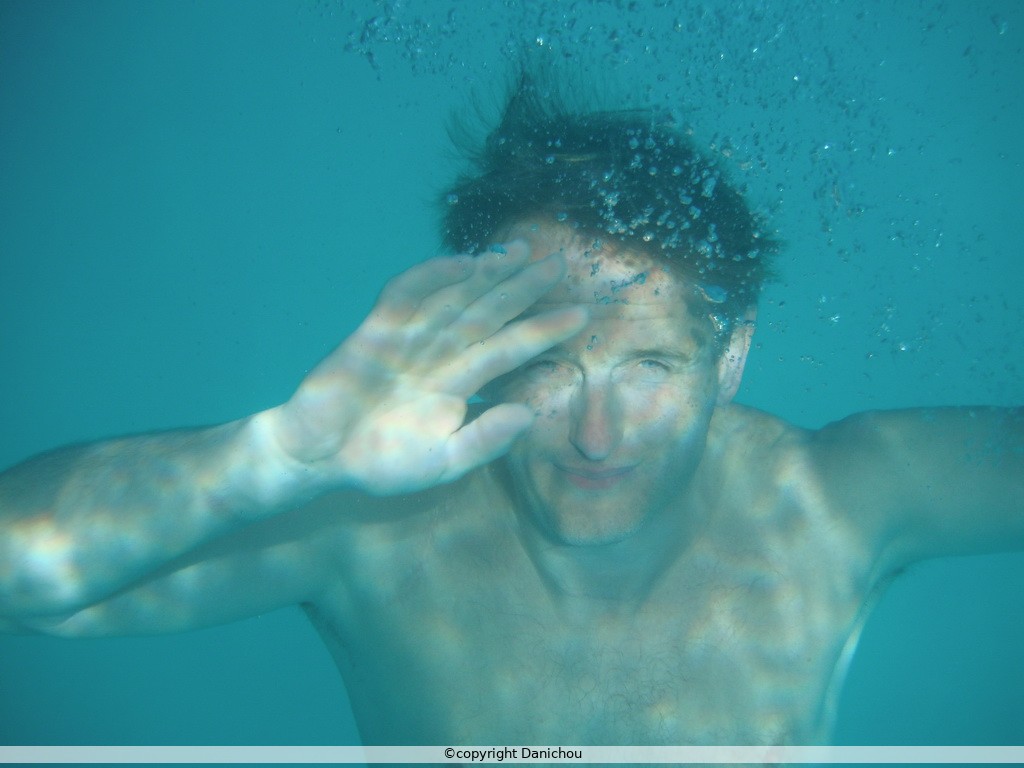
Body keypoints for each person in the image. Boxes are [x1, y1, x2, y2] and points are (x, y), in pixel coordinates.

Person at [0, 74, 1021, 748]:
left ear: (731, 357)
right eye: (549, 362)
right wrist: (273, 459)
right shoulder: (374, 533)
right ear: (475, 344)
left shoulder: (836, 498)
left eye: (650, 365)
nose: (596, 433)